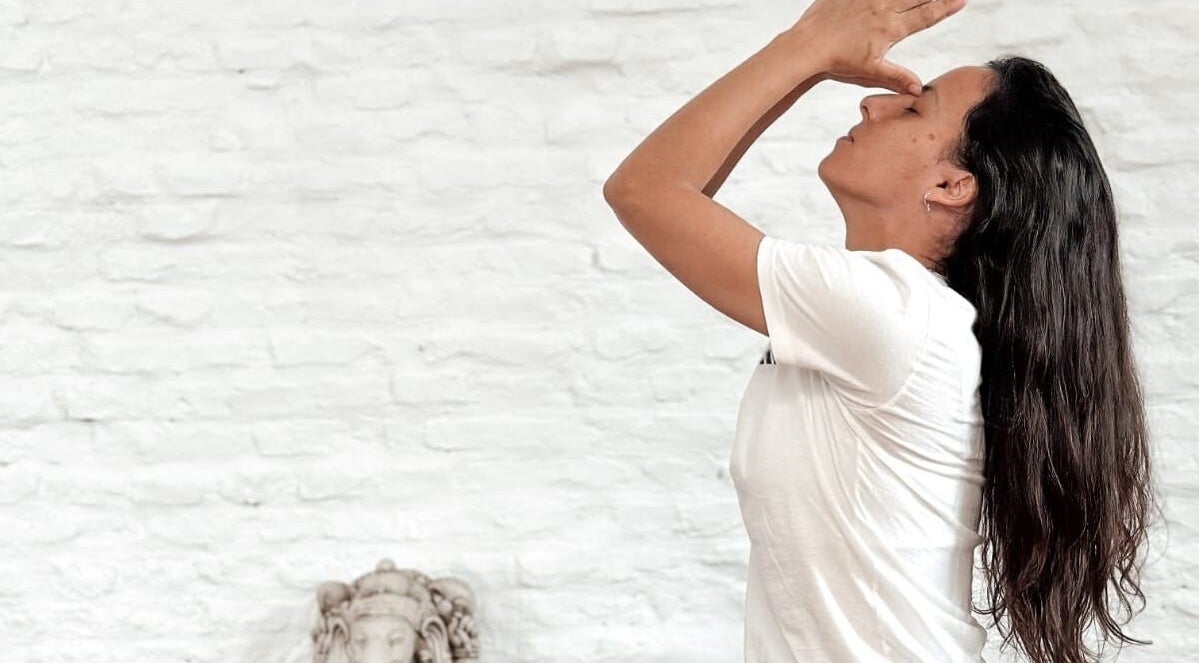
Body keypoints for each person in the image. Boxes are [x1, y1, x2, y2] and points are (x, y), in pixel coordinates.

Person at [602, 0, 1163, 661]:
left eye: (913, 106)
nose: (871, 104)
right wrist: (811, 61)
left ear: (953, 184)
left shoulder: (893, 313)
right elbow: (678, 189)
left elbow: (644, 190)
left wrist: (806, 46)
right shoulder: (891, 315)